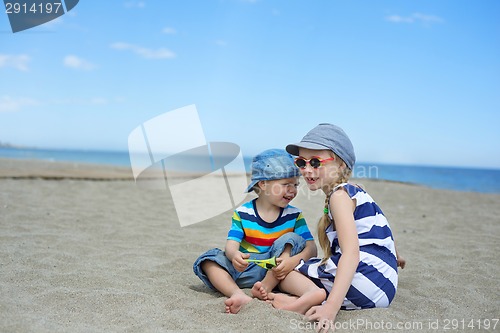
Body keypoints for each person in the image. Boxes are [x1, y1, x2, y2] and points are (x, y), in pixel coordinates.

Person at [263, 124, 406, 332]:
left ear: (340, 165)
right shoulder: (357, 192)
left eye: (315, 162)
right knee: (307, 266)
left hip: (364, 283)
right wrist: (395, 256)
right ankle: (303, 297)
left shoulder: (339, 197)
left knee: (285, 272)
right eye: (302, 163)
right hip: (386, 286)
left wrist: (330, 308)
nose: (307, 170)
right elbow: (379, 229)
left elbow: (351, 253)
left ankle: (313, 297)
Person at [193, 148, 318, 314]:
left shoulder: (294, 215)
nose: (293, 190)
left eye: (295, 184)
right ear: (263, 184)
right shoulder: (243, 213)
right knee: (209, 260)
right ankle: (237, 294)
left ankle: (279, 288)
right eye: (286, 184)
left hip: (276, 271)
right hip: (246, 267)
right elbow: (231, 244)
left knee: (291, 238)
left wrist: (291, 261)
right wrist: (234, 256)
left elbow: (311, 248)